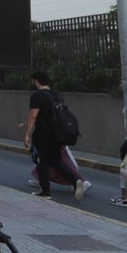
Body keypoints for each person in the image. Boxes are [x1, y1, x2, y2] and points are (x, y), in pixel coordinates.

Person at [23, 70, 87, 200]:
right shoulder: (57, 95)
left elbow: (33, 115)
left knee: (43, 161)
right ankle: (75, 181)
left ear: (36, 81)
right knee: (57, 161)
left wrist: (27, 134)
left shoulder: (37, 96)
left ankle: (45, 191)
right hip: (58, 134)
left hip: (43, 134)